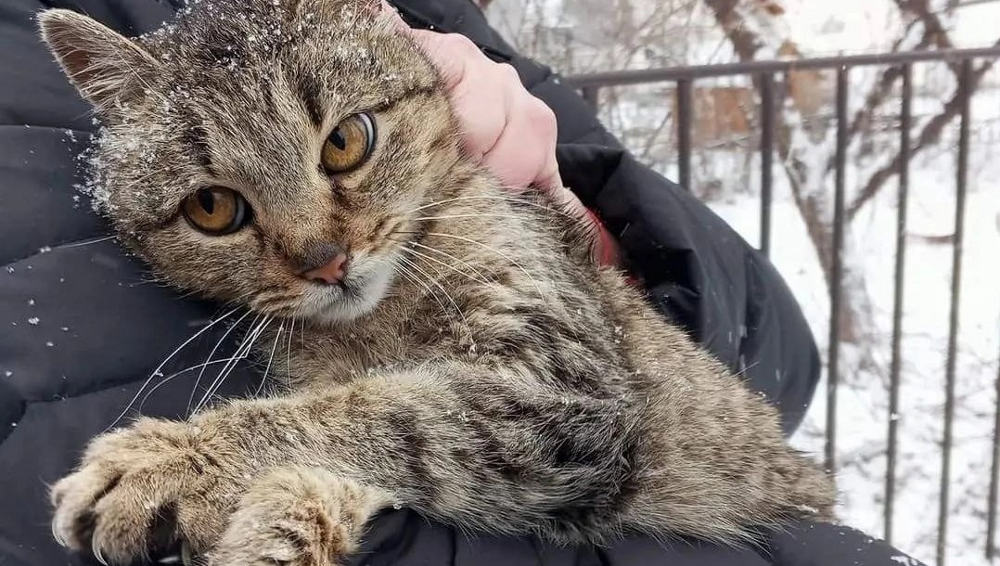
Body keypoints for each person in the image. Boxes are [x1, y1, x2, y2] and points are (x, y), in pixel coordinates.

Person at [0, 0, 924, 565]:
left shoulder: (473, 214)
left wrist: (233, 453)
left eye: (344, 147)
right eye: (218, 212)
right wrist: (319, 496)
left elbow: (565, 432)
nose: (321, 250)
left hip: (763, 525)